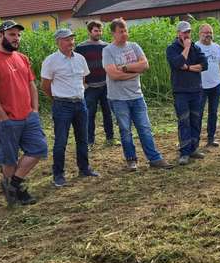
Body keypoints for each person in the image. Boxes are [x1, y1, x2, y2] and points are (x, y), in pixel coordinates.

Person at [0, 20, 48, 206]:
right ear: (1, 35)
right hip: (5, 119)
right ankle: (14, 195)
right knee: (9, 158)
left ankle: (13, 185)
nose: (16, 38)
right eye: (12, 34)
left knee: (38, 148)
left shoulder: (22, 58)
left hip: (28, 116)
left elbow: (31, 84)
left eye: (18, 35)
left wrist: (35, 110)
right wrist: (3, 117)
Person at [103, 18, 173, 171]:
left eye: (125, 30)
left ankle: (154, 159)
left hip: (137, 96)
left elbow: (145, 65)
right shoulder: (108, 50)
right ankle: (131, 160)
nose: (124, 34)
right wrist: (135, 73)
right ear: (113, 33)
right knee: (125, 130)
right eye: (121, 32)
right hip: (118, 98)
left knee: (145, 128)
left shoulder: (134, 46)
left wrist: (125, 68)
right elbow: (113, 74)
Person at [41, 28, 99, 187]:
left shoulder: (80, 59)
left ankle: (84, 168)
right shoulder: (51, 61)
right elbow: (45, 85)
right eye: (67, 39)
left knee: (83, 138)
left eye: (72, 39)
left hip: (80, 103)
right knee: (61, 141)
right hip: (62, 104)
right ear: (58, 42)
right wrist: (57, 98)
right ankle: (58, 175)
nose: (71, 42)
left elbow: (83, 78)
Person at [166, 21, 208, 165]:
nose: (187, 35)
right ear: (178, 33)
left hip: (196, 90)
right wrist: (186, 48)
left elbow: (204, 65)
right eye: (184, 32)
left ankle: (194, 149)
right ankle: (184, 152)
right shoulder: (171, 48)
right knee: (184, 121)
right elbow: (177, 63)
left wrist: (188, 67)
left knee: (196, 120)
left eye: (188, 32)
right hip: (180, 91)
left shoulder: (196, 48)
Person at [75, 20, 119, 148]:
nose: (98, 33)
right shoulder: (81, 47)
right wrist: (84, 83)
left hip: (106, 85)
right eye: (96, 30)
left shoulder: (106, 46)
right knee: (89, 114)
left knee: (108, 113)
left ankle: (110, 138)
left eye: (100, 30)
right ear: (89, 31)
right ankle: (89, 141)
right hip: (90, 87)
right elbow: (78, 66)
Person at [195, 23, 220, 146]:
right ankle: (195, 140)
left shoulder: (217, 48)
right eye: (205, 33)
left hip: (215, 85)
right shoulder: (195, 48)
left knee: (213, 113)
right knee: (197, 114)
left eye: (210, 33)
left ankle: (211, 138)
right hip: (200, 87)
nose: (208, 35)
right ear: (200, 34)